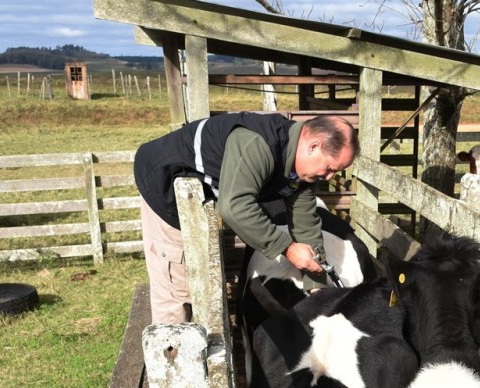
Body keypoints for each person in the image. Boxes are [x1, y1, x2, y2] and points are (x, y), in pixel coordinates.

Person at [134, 112, 359, 324]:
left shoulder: (299, 171)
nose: (329, 177)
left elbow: (306, 225)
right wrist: (288, 248)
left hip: (202, 192)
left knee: (202, 278)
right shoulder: (258, 145)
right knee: (179, 288)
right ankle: (171, 356)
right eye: (329, 168)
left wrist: (316, 289)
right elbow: (235, 207)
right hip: (167, 185)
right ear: (313, 146)